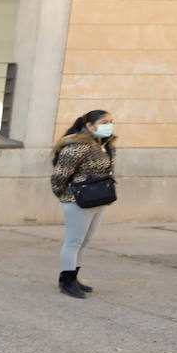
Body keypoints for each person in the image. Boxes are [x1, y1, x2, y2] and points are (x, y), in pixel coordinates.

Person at [50, 109, 117, 298]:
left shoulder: (105, 145)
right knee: (74, 242)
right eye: (104, 122)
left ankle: (74, 277)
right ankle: (67, 281)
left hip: (99, 199)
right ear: (89, 125)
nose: (109, 125)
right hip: (76, 200)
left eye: (111, 121)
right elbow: (59, 175)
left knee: (85, 242)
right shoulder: (76, 145)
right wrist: (64, 194)